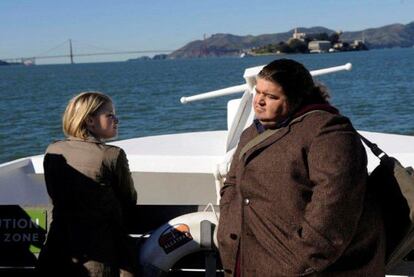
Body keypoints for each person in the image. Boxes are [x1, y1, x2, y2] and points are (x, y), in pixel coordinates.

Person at [217, 59, 385, 276]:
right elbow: (232, 181)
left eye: (271, 96)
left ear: (296, 98)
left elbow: (334, 205)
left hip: (303, 269)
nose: (259, 101)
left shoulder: (329, 131)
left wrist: (300, 263)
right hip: (248, 260)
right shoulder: (252, 132)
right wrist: (227, 224)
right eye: (258, 92)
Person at [37, 92, 137, 277]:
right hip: (102, 257)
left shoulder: (53, 150)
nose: (117, 119)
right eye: (110, 115)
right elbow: (129, 200)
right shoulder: (112, 155)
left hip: (56, 253)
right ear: (90, 121)